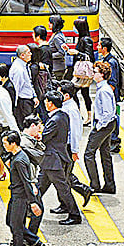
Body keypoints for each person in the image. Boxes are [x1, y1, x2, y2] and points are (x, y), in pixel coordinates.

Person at [38, 91, 81, 225]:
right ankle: (30, 208)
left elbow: (44, 138)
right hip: (54, 159)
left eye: (46, 102)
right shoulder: (63, 115)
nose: (45, 104)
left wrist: (38, 133)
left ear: (50, 104)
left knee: (63, 189)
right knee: (40, 186)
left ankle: (75, 215)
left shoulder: (54, 120)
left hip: (53, 160)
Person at [3, 131, 46, 246]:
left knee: (16, 227)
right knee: (10, 221)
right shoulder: (16, 155)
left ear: (13, 143)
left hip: (20, 197)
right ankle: (35, 241)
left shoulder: (19, 160)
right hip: (15, 194)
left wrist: (33, 202)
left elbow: (26, 182)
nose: (4, 145)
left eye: (5, 143)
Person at [58, 81, 94, 206]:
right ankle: (64, 203)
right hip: (63, 145)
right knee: (62, 175)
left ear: (66, 95)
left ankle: (81, 191)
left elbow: (74, 132)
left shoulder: (71, 110)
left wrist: (74, 150)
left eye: (60, 92)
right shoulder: (65, 106)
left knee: (63, 175)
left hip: (67, 146)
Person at [84, 62, 118, 194]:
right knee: (105, 154)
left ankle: (95, 185)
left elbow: (108, 113)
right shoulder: (102, 88)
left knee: (88, 154)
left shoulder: (104, 90)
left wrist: (98, 126)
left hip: (103, 125)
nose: (93, 73)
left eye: (95, 71)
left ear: (102, 75)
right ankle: (109, 185)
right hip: (107, 124)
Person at [98, 38, 122, 152]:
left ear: (104, 48)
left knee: (114, 117)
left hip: (113, 96)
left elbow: (113, 82)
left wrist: (107, 96)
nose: (97, 47)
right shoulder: (107, 59)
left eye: (99, 46)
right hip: (112, 96)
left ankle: (114, 140)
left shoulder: (110, 62)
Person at [73, 18, 96, 119]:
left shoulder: (86, 40)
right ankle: (88, 116)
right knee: (85, 93)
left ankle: (81, 114)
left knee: (73, 91)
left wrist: (77, 53)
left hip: (83, 72)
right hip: (82, 71)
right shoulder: (82, 38)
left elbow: (89, 56)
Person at [11, 45, 37, 124]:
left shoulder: (24, 65)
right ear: (22, 55)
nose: (31, 54)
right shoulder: (18, 69)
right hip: (23, 101)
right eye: (28, 52)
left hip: (28, 99)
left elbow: (29, 82)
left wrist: (34, 96)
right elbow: (16, 88)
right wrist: (14, 106)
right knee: (26, 124)